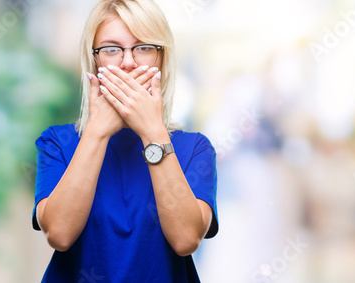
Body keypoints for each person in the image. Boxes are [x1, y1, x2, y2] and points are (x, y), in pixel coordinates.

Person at [31, 0, 218, 282]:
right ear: (94, 61)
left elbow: (186, 240)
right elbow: (59, 234)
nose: (128, 62)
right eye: (111, 49)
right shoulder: (57, 142)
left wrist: (152, 132)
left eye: (144, 47)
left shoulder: (195, 148)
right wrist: (97, 132)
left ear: (162, 58)